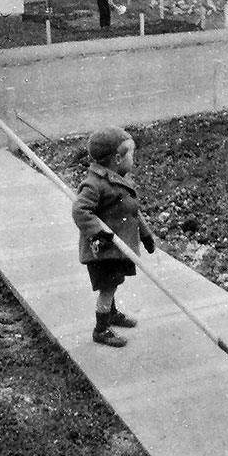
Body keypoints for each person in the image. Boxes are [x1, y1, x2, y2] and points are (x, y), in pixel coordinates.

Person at [72, 126, 155, 347]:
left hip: (118, 247)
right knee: (107, 287)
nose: (133, 161)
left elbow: (132, 211)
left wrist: (145, 235)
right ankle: (101, 329)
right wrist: (99, 232)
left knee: (114, 282)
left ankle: (112, 314)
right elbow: (80, 210)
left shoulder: (118, 179)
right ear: (117, 159)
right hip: (103, 248)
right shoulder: (95, 184)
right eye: (131, 155)